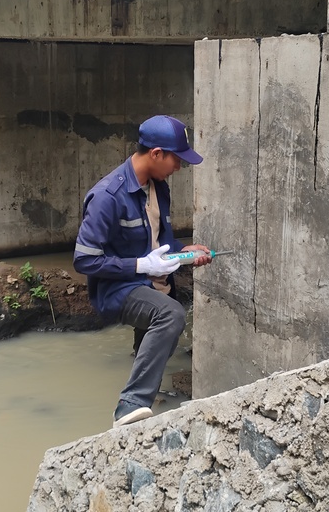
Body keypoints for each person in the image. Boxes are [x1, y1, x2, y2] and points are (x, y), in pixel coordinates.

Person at [73, 114, 213, 428]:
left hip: (154, 283)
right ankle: (130, 405)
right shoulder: (107, 197)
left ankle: (146, 410)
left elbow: (159, 240)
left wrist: (184, 252)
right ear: (156, 154)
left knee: (154, 336)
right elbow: (84, 261)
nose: (179, 167)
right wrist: (139, 265)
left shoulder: (158, 188)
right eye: (177, 160)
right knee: (170, 315)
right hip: (118, 288)